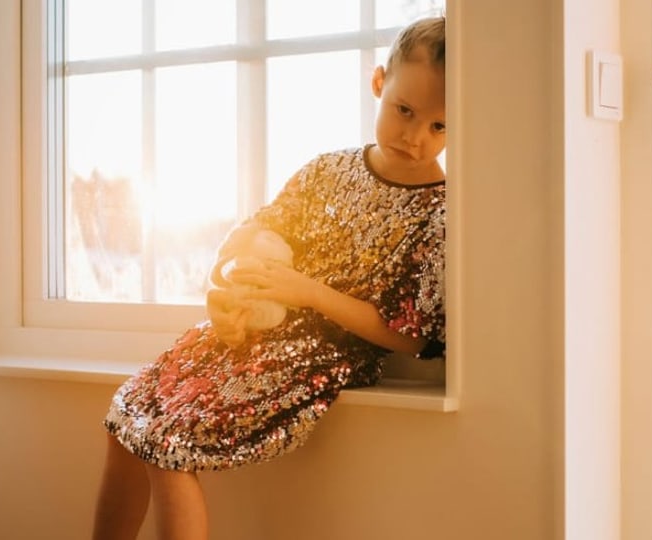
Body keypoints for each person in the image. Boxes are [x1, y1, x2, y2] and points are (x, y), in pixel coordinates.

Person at [92, 15, 447, 540]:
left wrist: (307, 292)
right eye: (404, 111)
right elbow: (247, 240)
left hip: (314, 356)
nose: (415, 136)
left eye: (438, 126)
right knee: (126, 423)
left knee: (167, 446)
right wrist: (223, 293)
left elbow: (411, 335)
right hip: (245, 334)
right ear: (379, 84)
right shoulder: (326, 171)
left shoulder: (440, 212)